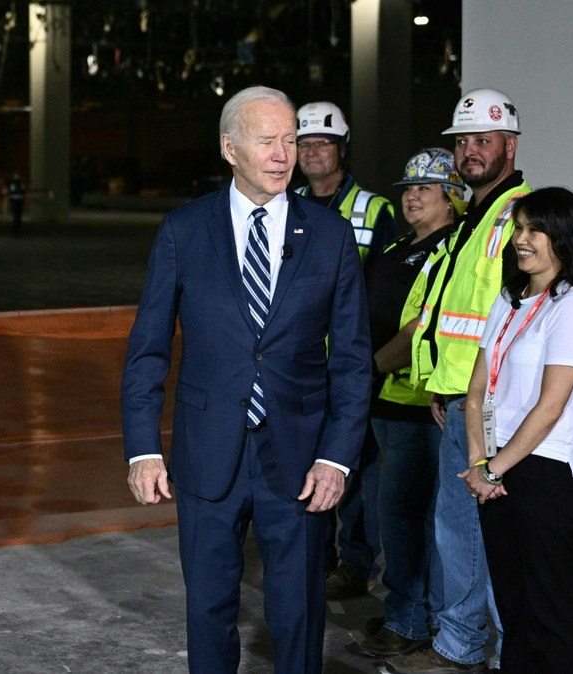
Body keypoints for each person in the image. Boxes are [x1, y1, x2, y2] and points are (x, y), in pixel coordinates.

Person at [122, 85, 371, 673]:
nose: (284, 154)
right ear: (229, 147)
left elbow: (355, 360)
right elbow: (148, 349)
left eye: (290, 139)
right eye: (268, 141)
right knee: (208, 606)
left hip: (302, 459)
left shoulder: (331, 235)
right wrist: (141, 451)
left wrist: (337, 459)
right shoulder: (183, 230)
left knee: (299, 610)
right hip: (207, 453)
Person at [382, 88, 531, 674]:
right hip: (458, 400)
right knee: (460, 535)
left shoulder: (519, 214)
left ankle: (503, 655)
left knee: (489, 534)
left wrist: (473, 394)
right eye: (463, 141)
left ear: (509, 146)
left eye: (482, 140)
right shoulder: (476, 216)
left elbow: (516, 314)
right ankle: (460, 645)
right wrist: (447, 387)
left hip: (487, 406)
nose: (470, 151)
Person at [462, 187, 573, 673]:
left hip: (546, 473)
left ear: (563, 237)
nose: (522, 239)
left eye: (533, 229)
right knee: (513, 606)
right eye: (518, 228)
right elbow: (477, 390)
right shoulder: (509, 299)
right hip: (499, 468)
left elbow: (550, 406)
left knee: (550, 609)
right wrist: (480, 462)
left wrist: (494, 469)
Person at [351, 148, 465, 659]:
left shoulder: (449, 250)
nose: (411, 195)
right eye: (408, 187)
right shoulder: (402, 245)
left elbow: (424, 325)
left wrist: (371, 366)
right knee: (398, 513)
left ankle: (412, 620)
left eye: (425, 188)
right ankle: (411, 610)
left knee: (405, 513)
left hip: (418, 401)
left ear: (453, 199)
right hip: (385, 399)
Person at [293, 100, 397, 600]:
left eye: (323, 144)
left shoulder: (375, 211)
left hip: (351, 365)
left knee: (351, 468)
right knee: (300, 461)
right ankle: (317, 557)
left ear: (342, 150)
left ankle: (354, 563)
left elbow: (387, 293)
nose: (313, 153)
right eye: (305, 144)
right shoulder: (284, 203)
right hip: (298, 366)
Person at [6, 172, 27, 236]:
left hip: (17, 201)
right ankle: (16, 231)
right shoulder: (17, 184)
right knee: (16, 217)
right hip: (16, 201)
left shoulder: (18, 184)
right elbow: (20, 191)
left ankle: (16, 231)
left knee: (17, 216)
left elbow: (21, 191)